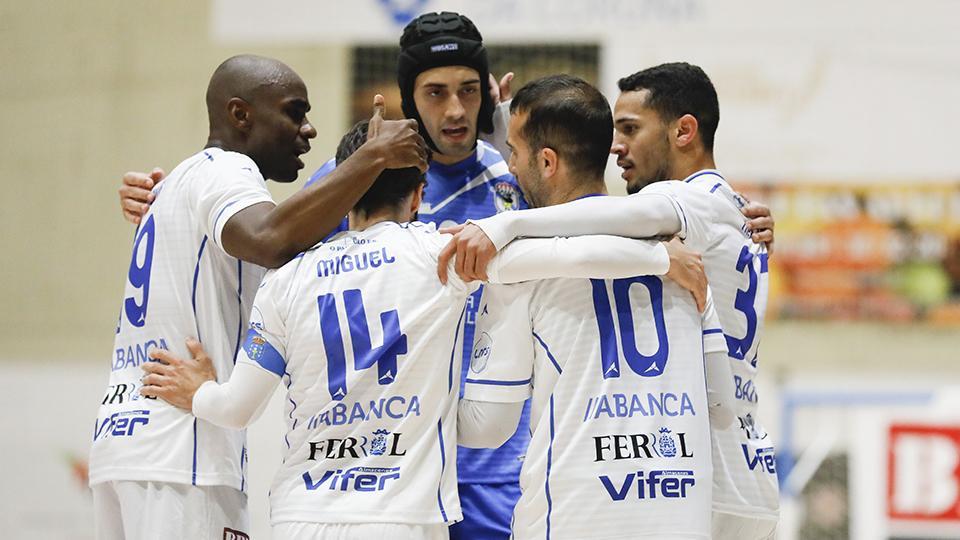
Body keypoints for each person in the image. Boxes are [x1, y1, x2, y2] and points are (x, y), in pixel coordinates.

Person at [138, 119, 709, 539]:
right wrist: (661, 260)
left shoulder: (285, 280)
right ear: (419, 195)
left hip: (300, 517)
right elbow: (559, 255)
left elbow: (237, 407)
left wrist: (198, 392)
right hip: (400, 518)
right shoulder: (441, 252)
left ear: (344, 190)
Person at [90, 54, 428, 540]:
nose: (308, 130)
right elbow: (272, 240)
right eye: (294, 112)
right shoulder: (226, 172)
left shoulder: (179, 184)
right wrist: (372, 157)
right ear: (240, 114)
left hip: (126, 440)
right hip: (181, 449)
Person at [442, 63, 779, 539]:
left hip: (606, 498)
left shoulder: (675, 213)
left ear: (684, 131)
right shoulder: (701, 237)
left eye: (631, 130)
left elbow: (487, 424)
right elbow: (720, 403)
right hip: (714, 479)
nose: (618, 146)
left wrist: (503, 230)